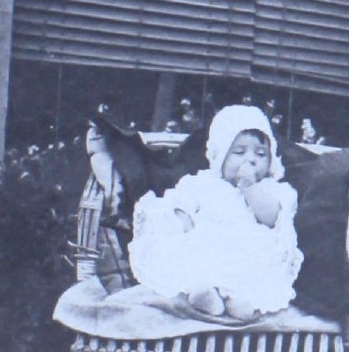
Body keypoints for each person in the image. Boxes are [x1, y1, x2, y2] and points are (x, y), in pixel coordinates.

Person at [127, 105, 304, 320]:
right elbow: (180, 204)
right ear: (220, 155)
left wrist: (250, 187)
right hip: (208, 241)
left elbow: (271, 218)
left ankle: (239, 300)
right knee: (194, 254)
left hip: (248, 248)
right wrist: (185, 224)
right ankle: (206, 295)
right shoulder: (203, 183)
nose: (251, 159)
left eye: (261, 153)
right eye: (239, 152)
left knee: (261, 263)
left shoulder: (271, 188)